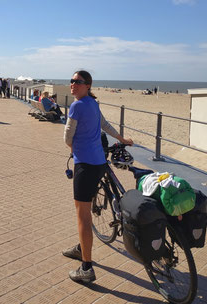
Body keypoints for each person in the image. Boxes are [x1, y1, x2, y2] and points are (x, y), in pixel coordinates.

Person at [62, 70, 134, 283]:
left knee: (82, 215)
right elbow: (105, 124)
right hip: (100, 163)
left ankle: (86, 268)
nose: (73, 84)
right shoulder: (93, 103)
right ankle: (82, 248)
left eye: (78, 82)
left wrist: (75, 150)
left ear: (87, 85)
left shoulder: (76, 106)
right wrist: (121, 138)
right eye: (72, 81)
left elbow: (67, 136)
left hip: (85, 165)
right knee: (86, 210)